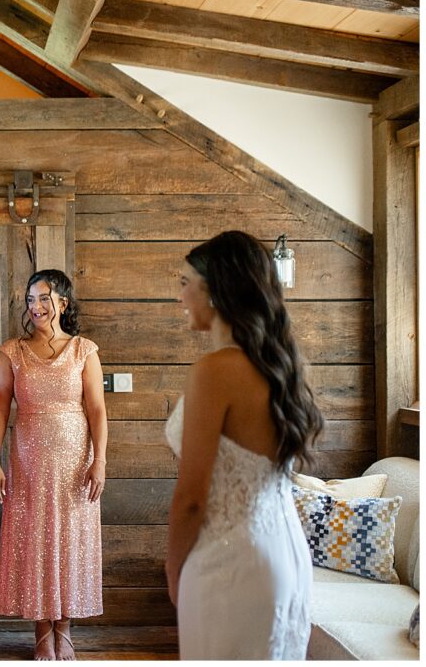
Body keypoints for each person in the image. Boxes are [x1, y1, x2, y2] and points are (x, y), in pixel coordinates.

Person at [165, 231, 321, 659]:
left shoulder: (214, 371)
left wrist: (173, 568)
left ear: (214, 291)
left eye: (184, 283)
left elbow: (192, 498)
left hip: (231, 563)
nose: (179, 297)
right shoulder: (278, 364)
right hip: (284, 554)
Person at [0, 269, 108, 661]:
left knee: (70, 541)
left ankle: (66, 629)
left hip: (76, 461)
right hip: (28, 461)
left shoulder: (84, 350)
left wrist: (100, 460)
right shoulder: (12, 351)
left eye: (44, 298)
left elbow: (97, 410)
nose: (36, 307)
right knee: (35, 540)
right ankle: (41, 630)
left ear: (63, 303)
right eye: (31, 300)